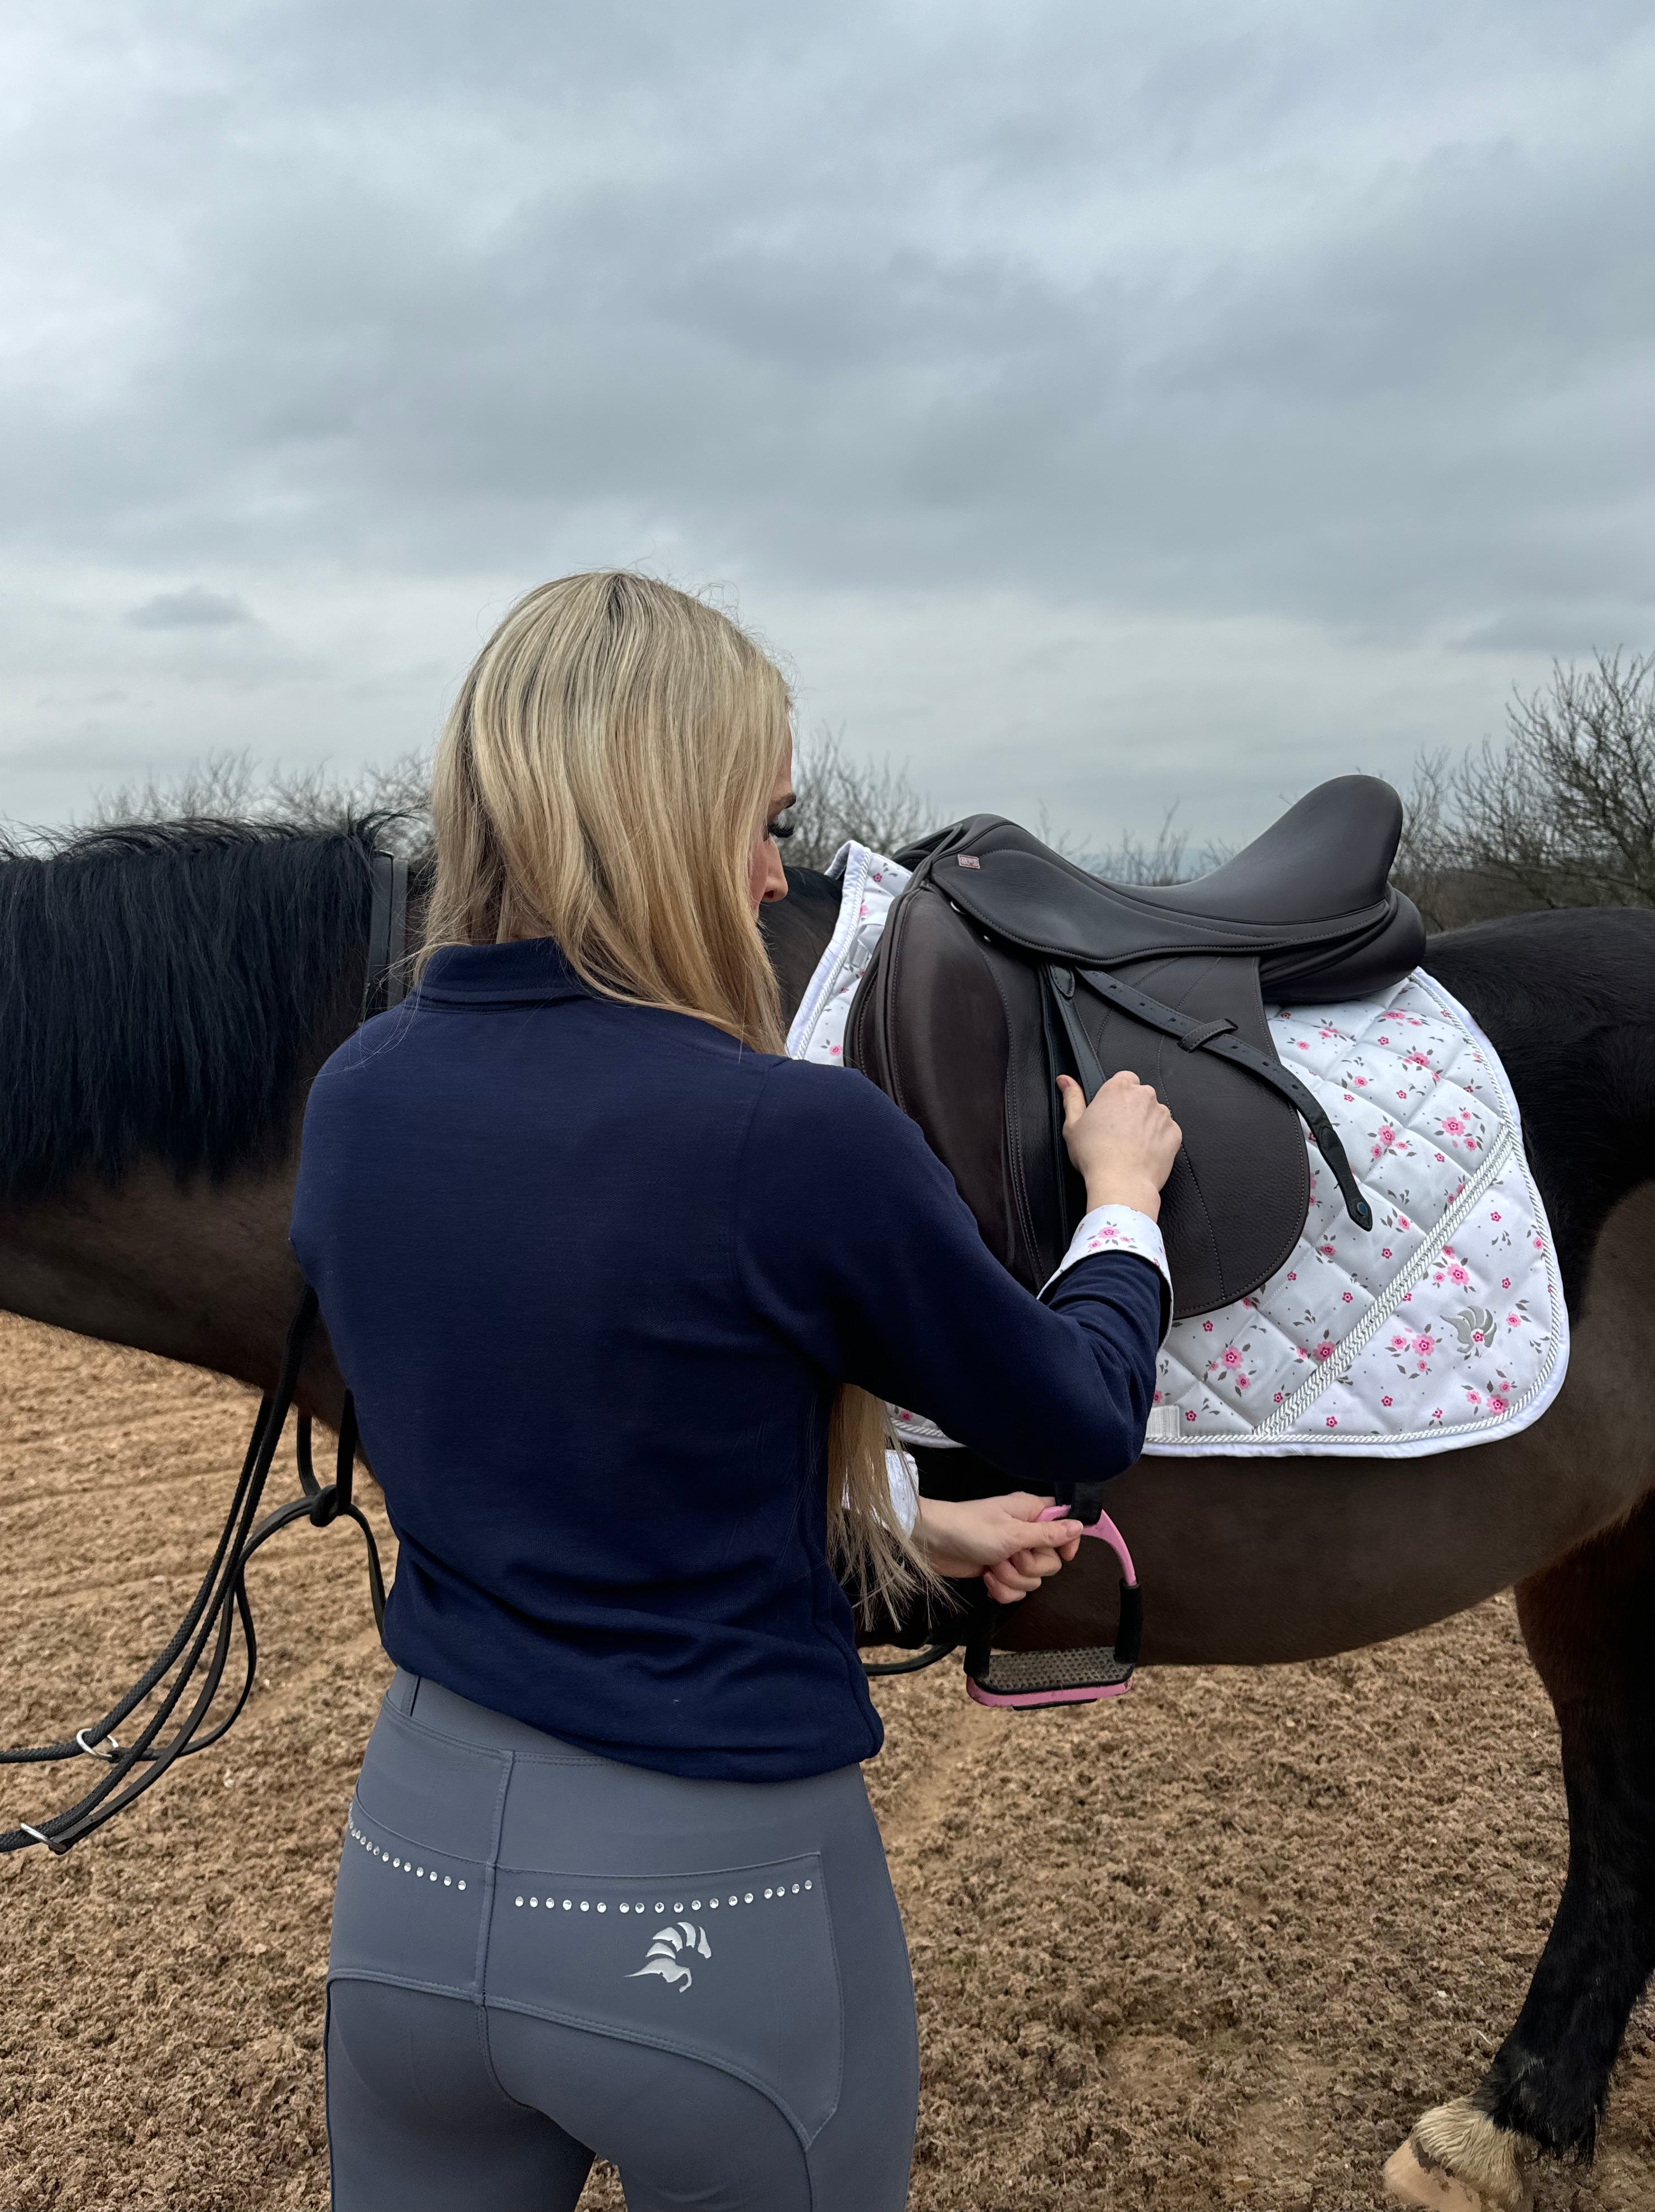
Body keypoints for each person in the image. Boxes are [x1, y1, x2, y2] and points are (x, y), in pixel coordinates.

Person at [291, 571, 1181, 2212]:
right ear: (656, 811)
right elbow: (1080, 1412)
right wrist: (1119, 1202)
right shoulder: (790, 1135)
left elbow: (587, 1419)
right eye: (763, 816)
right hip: (708, 1907)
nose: (781, 869)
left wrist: (911, 1520)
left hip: (408, 1884)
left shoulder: (357, 1098)